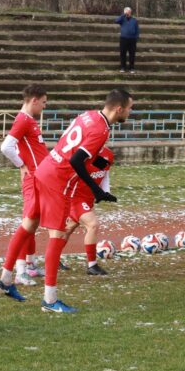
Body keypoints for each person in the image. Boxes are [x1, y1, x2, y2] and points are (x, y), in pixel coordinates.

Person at [31, 89, 133, 312]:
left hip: (46, 168)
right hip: (58, 180)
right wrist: (97, 190)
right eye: (129, 107)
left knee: (30, 225)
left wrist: (98, 176)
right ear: (119, 109)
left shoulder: (89, 115)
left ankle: (7, 278)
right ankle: (49, 300)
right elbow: (78, 160)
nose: (130, 111)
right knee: (57, 237)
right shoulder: (101, 130)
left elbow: (75, 149)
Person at [0, 85, 49, 301]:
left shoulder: (28, 121)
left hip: (39, 179)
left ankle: (14, 275)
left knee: (31, 225)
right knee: (28, 226)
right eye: (44, 102)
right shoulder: (24, 120)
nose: (44, 106)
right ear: (34, 100)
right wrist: (22, 165)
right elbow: (6, 146)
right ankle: (12, 276)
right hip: (35, 180)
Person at [64, 146, 115, 275]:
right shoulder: (81, 155)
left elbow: (104, 174)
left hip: (88, 200)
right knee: (93, 225)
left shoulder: (107, 154)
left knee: (67, 229)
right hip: (75, 198)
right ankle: (92, 266)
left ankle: (52, 259)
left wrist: (106, 192)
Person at [115, 7, 139, 73]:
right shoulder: (122, 19)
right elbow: (116, 21)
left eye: (128, 11)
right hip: (123, 39)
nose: (127, 13)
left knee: (132, 54)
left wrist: (136, 37)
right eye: (126, 11)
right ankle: (123, 67)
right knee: (123, 53)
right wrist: (123, 14)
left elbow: (137, 29)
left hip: (132, 39)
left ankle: (132, 68)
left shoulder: (134, 20)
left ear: (130, 12)